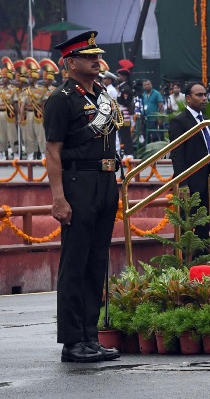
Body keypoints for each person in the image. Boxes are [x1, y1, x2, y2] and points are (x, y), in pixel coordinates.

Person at [43, 31, 123, 363]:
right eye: (88, 56)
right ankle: (73, 341)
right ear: (71, 62)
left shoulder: (103, 93)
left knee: (96, 262)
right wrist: (59, 198)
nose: (96, 60)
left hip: (105, 181)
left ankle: (91, 336)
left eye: (97, 55)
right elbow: (52, 151)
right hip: (78, 182)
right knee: (75, 263)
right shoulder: (62, 99)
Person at [168, 82, 210, 240]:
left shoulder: (206, 121)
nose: (204, 98)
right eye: (199, 95)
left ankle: (203, 261)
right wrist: (183, 183)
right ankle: (184, 263)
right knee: (188, 231)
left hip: (207, 182)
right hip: (190, 184)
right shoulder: (180, 121)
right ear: (188, 98)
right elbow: (177, 154)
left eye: (205, 95)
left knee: (205, 229)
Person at [115, 61, 135, 159]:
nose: (118, 78)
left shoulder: (125, 88)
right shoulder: (122, 87)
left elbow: (125, 102)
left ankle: (129, 153)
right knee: (123, 134)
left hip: (124, 114)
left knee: (126, 134)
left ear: (124, 77)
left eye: (119, 76)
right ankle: (126, 153)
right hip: (121, 112)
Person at [0, 58, 19, 160]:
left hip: (10, 114)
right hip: (0, 114)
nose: (3, 79)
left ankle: (15, 152)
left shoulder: (13, 89)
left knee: (12, 135)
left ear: (8, 78)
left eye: (4, 77)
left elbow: (15, 105)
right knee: (1, 135)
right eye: (1, 77)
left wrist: (17, 117)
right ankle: (3, 153)